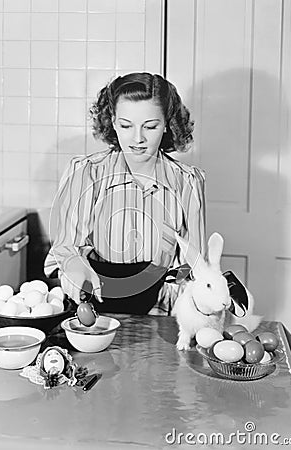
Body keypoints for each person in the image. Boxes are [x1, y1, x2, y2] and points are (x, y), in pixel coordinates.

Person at [44, 72, 206, 315]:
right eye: (126, 125)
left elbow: (195, 265)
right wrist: (74, 268)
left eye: (150, 126)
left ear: (167, 125)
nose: (137, 138)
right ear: (112, 121)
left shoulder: (188, 181)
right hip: (95, 305)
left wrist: (173, 291)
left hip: (160, 311)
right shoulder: (86, 173)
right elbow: (64, 250)